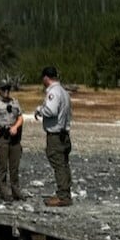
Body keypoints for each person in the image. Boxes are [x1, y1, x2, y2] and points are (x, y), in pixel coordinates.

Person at [34, 65, 73, 207]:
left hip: (56, 135)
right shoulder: (63, 91)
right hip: (64, 133)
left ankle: (63, 196)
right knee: (63, 163)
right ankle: (65, 191)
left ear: (46, 77)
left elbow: (51, 110)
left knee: (58, 164)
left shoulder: (53, 92)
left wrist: (39, 110)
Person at [0, 80, 26, 202]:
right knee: (2, 166)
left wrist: (16, 127)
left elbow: (20, 117)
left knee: (14, 166)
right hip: (1, 136)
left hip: (14, 137)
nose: (6, 91)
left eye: (8, 89)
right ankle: (4, 192)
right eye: (3, 89)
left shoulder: (15, 102)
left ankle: (16, 190)